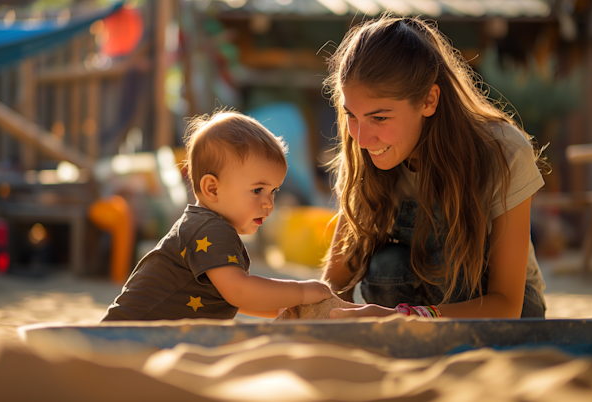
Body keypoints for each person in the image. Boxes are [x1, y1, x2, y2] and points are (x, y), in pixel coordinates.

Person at [320, 15, 550, 319]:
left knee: (449, 262)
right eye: (352, 115)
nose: (362, 139)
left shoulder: (503, 151)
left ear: (429, 100)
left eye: (379, 118)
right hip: (413, 311)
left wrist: (403, 319)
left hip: (505, 315)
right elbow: (336, 282)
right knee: (386, 267)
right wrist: (315, 308)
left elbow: (507, 305)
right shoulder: (365, 152)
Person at [102, 110, 332, 321]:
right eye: (257, 190)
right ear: (212, 189)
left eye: (273, 191)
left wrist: (280, 308)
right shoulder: (210, 230)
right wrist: (300, 292)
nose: (269, 203)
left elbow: (224, 298)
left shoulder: (205, 224)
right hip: (128, 337)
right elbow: (240, 292)